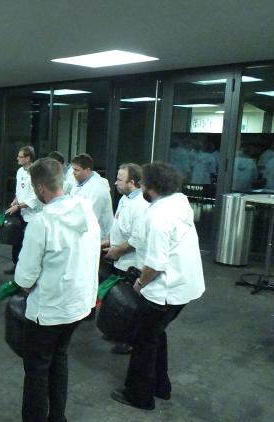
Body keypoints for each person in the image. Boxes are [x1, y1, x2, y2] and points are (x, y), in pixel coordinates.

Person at [111, 162, 205, 411]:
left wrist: (140, 283)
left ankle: (139, 396)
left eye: (142, 183)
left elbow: (155, 264)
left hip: (165, 290)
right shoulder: (179, 202)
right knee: (155, 334)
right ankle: (161, 387)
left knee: (143, 341)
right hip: (186, 285)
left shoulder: (158, 215)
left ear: (150, 186)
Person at [14, 157, 100, 422]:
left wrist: (25, 285)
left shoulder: (42, 222)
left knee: (37, 370)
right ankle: (58, 417)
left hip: (48, 311)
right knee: (59, 357)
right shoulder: (86, 211)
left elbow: (25, 277)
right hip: (78, 305)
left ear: (40, 188)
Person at [102, 163, 149, 355]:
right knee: (117, 300)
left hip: (131, 262)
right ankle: (116, 330)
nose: (115, 183)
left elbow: (136, 239)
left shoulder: (141, 205)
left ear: (132, 182)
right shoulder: (124, 198)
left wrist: (117, 251)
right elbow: (119, 225)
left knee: (130, 304)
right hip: (118, 258)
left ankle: (129, 340)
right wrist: (109, 241)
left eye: (120, 179)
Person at [4, 146, 41, 275]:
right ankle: (16, 265)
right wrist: (16, 199)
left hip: (32, 214)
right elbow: (19, 190)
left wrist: (18, 206)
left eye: (20, 157)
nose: (17, 158)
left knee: (29, 242)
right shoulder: (20, 171)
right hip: (20, 210)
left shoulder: (36, 173)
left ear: (28, 158)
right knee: (16, 240)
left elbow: (34, 197)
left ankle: (29, 269)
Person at [70, 153, 113, 242]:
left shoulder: (98, 189)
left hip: (99, 239)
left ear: (87, 170)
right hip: (82, 234)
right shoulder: (79, 183)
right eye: (73, 169)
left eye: (76, 170)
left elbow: (90, 218)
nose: (73, 173)